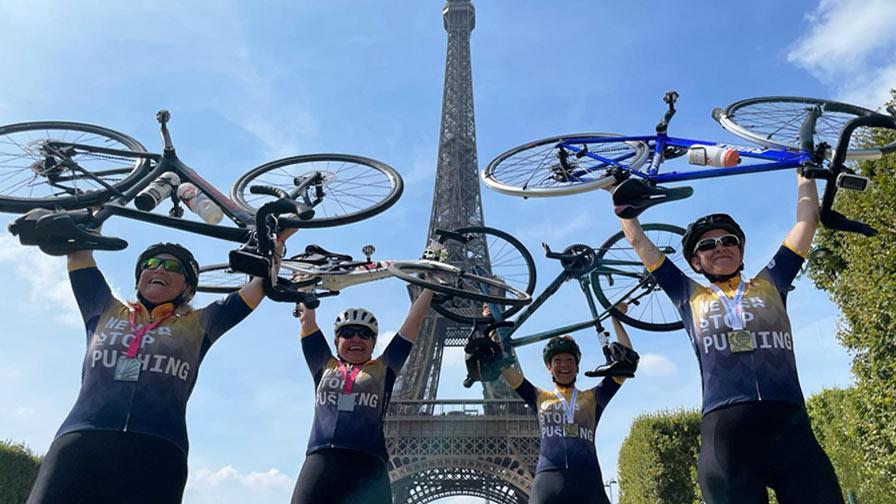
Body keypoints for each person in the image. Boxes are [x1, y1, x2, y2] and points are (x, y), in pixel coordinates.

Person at [614, 171, 844, 503]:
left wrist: (803, 176)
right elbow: (639, 242)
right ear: (696, 261)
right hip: (727, 434)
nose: (720, 247)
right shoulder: (687, 295)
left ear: (740, 249)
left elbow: (807, 222)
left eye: (729, 241)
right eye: (707, 245)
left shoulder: (772, 281)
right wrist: (622, 202)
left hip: (789, 425)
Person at [26, 232, 295, 504]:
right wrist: (94, 211)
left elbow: (259, 286)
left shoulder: (201, 323)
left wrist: (279, 239)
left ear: (188, 289)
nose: (158, 269)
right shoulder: (103, 307)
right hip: (82, 441)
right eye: (151, 263)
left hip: (157, 449)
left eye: (173, 268)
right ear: (139, 278)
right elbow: (80, 251)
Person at [292, 288, 433, 504]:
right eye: (347, 333)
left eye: (364, 333)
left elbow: (413, 322)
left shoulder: (385, 367)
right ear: (337, 340)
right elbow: (307, 320)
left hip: (367, 464)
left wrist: (430, 287)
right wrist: (305, 284)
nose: (356, 338)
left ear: (374, 341)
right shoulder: (323, 363)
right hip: (321, 459)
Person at [496, 305, 638, 504]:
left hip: (587, 481)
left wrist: (616, 319)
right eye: (558, 360)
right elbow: (502, 367)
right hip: (550, 480)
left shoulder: (594, 397)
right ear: (549, 367)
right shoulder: (538, 396)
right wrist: (493, 326)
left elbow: (628, 362)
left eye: (570, 360)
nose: (564, 365)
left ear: (577, 366)